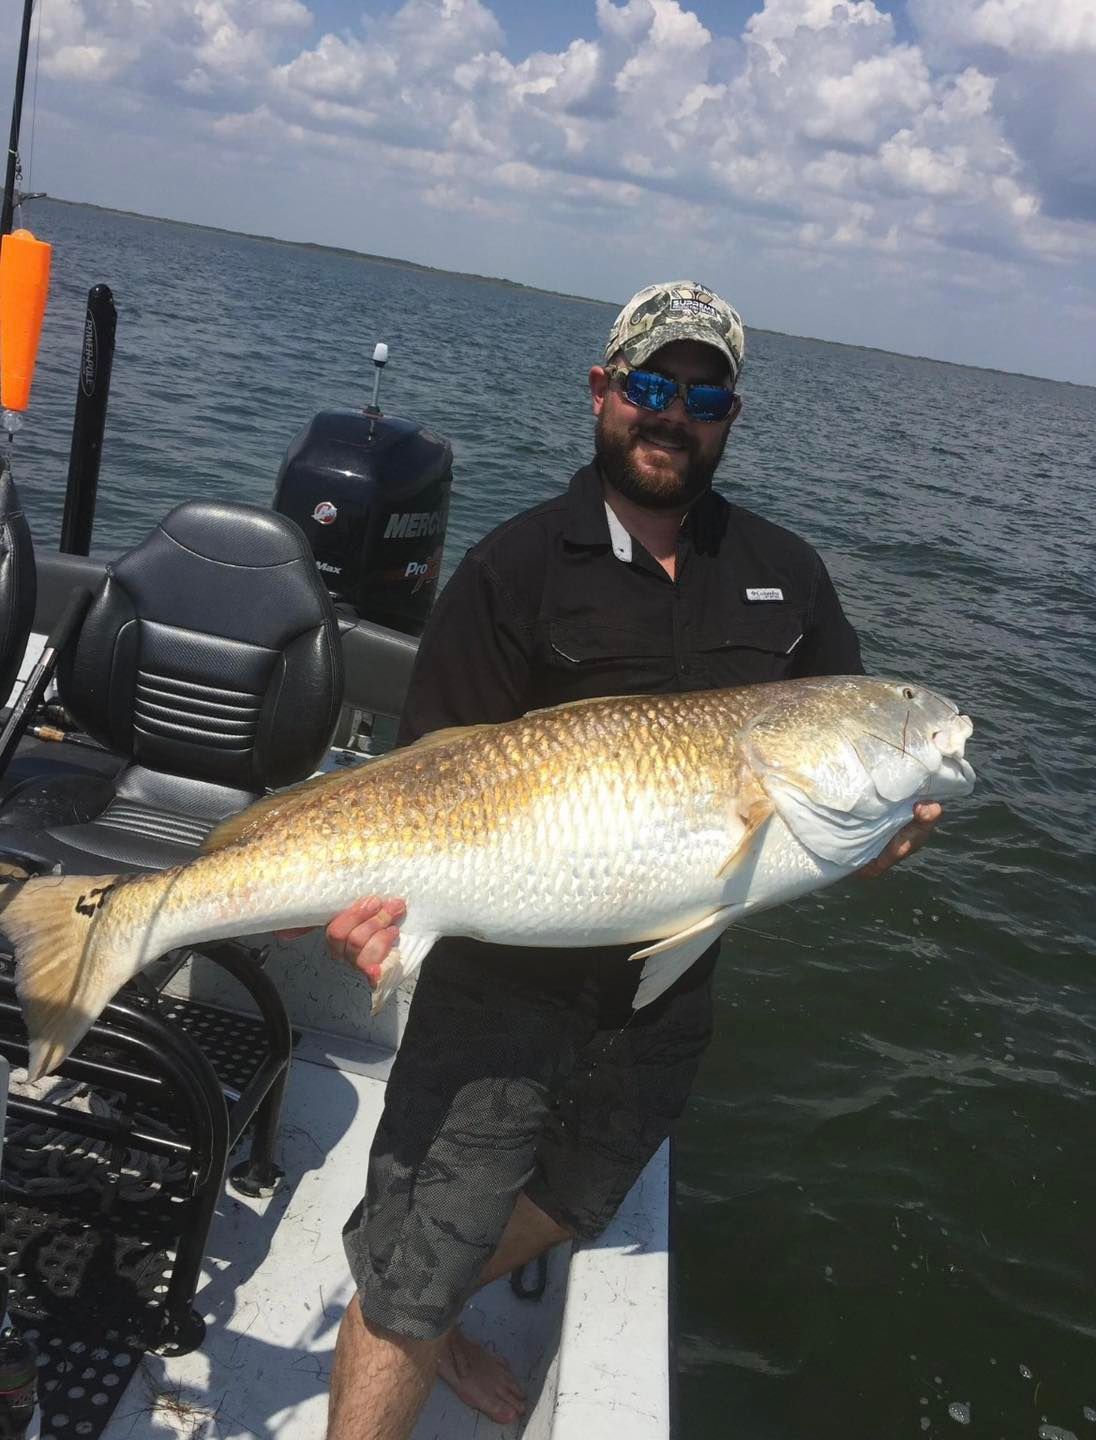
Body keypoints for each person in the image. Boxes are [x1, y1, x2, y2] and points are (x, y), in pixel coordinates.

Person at [321, 282, 941, 1439]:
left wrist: (879, 835)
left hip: (665, 991)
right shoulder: (513, 570)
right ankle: (421, 1303)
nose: (672, 414)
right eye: (650, 386)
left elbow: (834, 779)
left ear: (731, 416)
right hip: (500, 985)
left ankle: (443, 1293)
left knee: (578, 1193)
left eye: (701, 396)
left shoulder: (786, 574)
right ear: (603, 390)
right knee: (410, 1275)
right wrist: (379, 911)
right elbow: (419, 782)